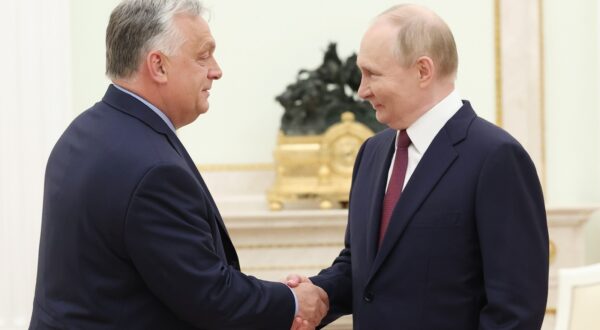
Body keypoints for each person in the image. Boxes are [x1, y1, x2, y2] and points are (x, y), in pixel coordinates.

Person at [29, 0, 328, 329]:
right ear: (158, 66)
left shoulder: (85, 132)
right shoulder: (152, 169)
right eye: (203, 55)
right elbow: (210, 296)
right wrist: (293, 302)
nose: (216, 70)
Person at [287, 4, 549, 329]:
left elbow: (515, 312)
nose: (361, 91)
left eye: (373, 74)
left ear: (423, 70)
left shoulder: (497, 158)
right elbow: (363, 267)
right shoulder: (371, 152)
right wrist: (315, 294)